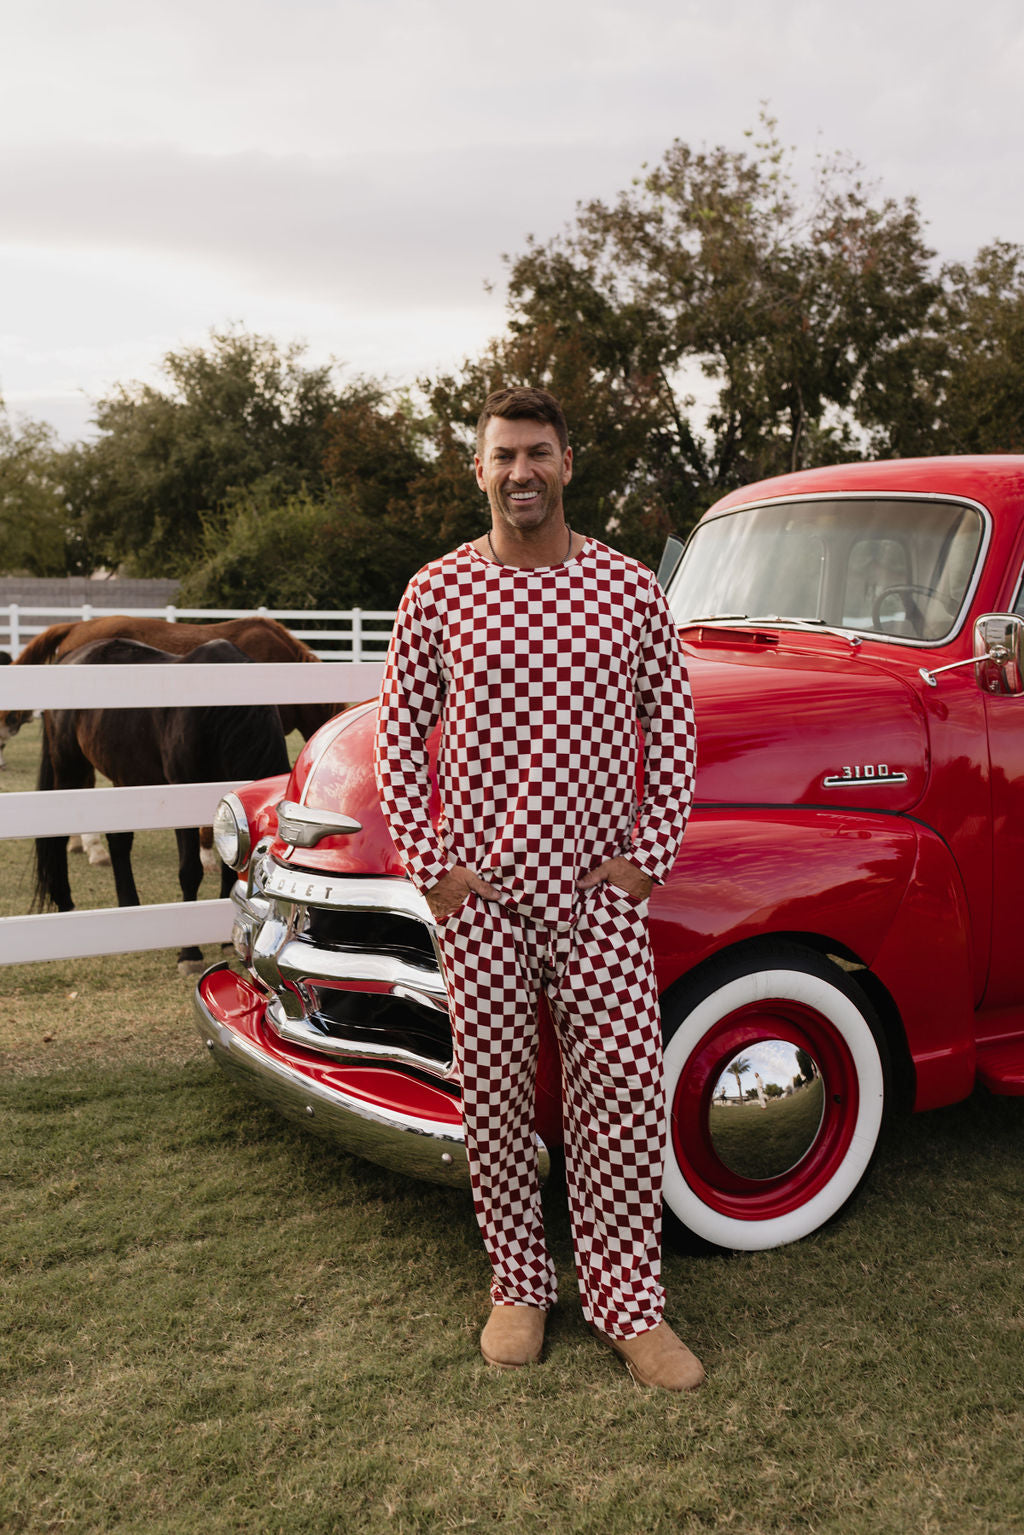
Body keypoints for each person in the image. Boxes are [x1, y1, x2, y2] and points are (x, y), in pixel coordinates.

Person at [373, 386, 702, 1391]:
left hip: (599, 896)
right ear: (478, 469)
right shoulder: (437, 591)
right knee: (499, 1101)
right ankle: (518, 1283)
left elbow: (675, 723)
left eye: (538, 453)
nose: (522, 471)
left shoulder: (623, 588)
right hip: (484, 899)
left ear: (568, 464)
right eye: (503, 454)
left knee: (622, 1101)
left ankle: (625, 1300)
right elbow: (396, 735)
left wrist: (643, 860)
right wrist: (436, 874)